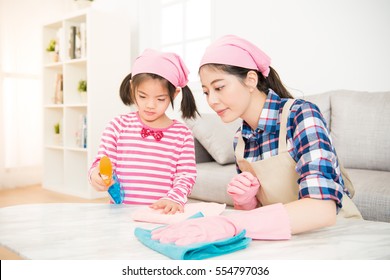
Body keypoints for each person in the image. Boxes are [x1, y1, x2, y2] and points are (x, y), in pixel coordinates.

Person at [151, 35, 362, 245]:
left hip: (336, 238)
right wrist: (246, 202)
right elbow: (263, 216)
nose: (212, 101)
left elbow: (321, 210)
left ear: (251, 80)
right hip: (289, 242)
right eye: (206, 92)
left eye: (219, 87)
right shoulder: (241, 140)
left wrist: (230, 225)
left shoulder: (301, 115)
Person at [89, 49, 199, 214]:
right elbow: (101, 163)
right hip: (120, 214)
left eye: (160, 99)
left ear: (174, 94)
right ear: (132, 88)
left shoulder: (182, 134)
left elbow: (186, 175)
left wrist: (174, 198)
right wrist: (96, 175)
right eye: (142, 96)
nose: (150, 105)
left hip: (161, 215)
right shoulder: (117, 126)